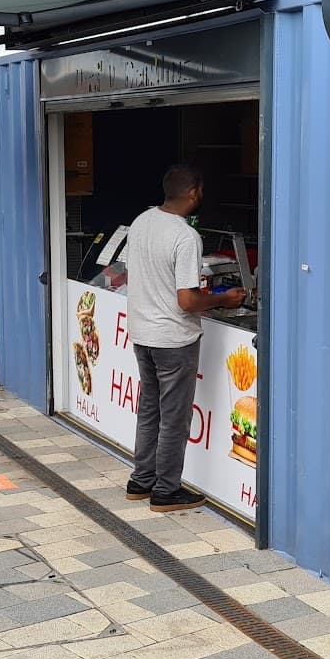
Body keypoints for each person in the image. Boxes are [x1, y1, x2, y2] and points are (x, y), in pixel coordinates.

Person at [123, 164, 245, 512]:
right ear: (193, 193)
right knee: (175, 416)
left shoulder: (142, 221)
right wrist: (225, 298)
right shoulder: (186, 236)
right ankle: (166, 490)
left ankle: (140, 481)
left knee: (150, 410)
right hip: (174, 339)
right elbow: (187, 301)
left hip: (143, 333)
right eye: (202, 191)